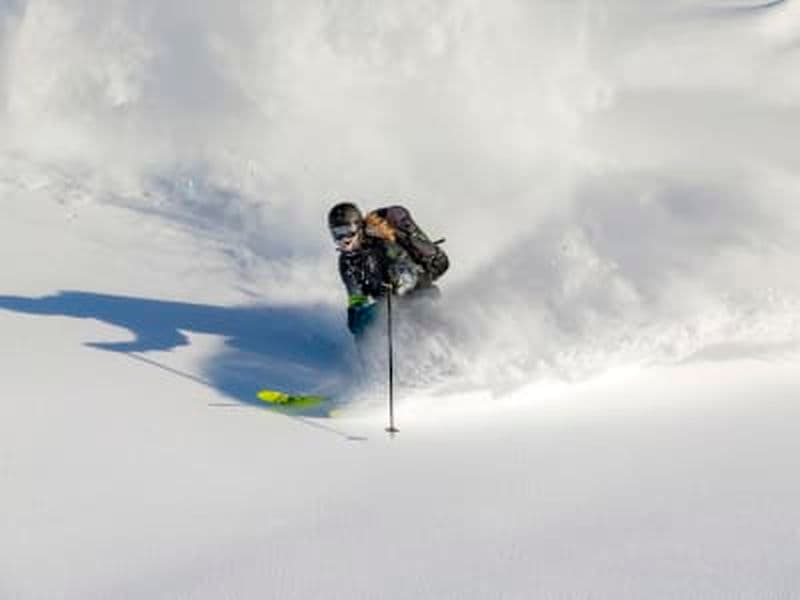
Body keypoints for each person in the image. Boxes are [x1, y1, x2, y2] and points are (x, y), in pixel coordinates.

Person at [327, 202, 448, 336]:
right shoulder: (346, 263)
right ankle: (377, 354)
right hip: (392, 309)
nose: (344, 239)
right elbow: (356, 297)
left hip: (420, 297)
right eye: (337, 233)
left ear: (358, 227)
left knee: (421, 320)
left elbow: (412, 275)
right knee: (363, 323)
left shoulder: (383, 243)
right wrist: (357, 314)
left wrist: (396, 283)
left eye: (348, 231)